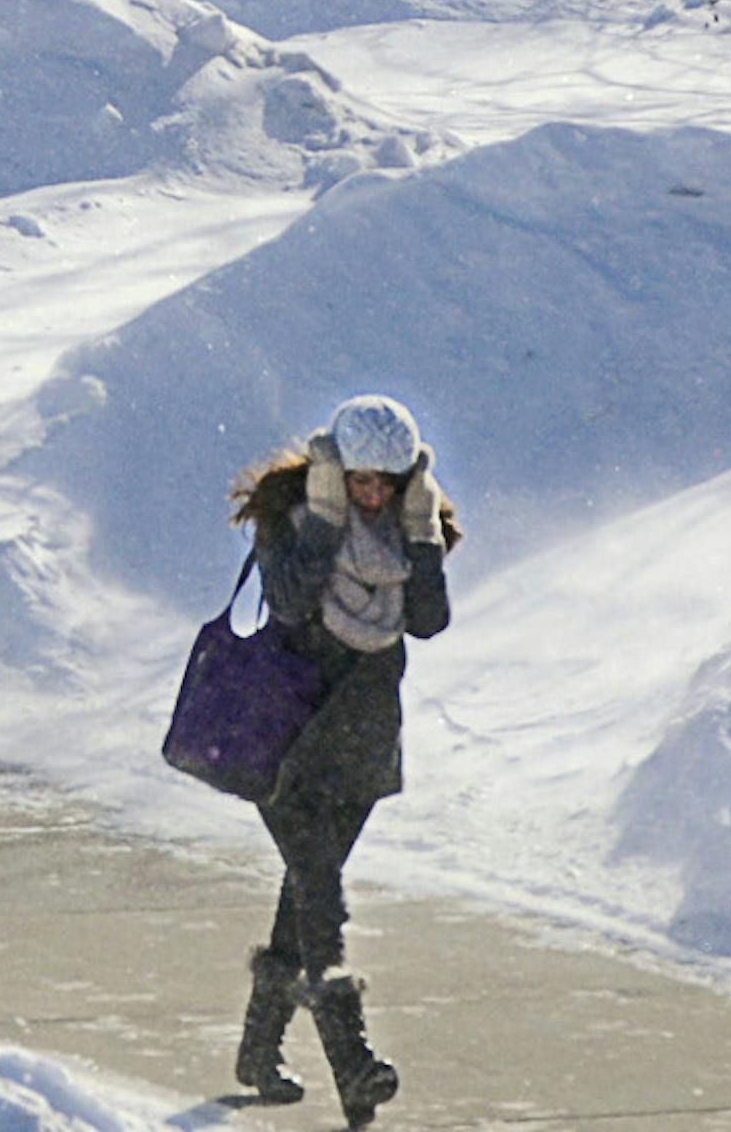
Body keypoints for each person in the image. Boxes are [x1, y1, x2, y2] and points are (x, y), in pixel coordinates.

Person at [224, 394, 460, 1129]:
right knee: (319, 891)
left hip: (360, 743)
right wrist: (326, 520)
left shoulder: (409, 528)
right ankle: (353, 1067)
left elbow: (427, 620)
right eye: (362, 480)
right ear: (339, 467)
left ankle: (258, 1055)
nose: (373, 494)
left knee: (306, 887)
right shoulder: (290, 514)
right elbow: (291, 603)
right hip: (287, 742)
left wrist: (421, 536)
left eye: (387, 484)